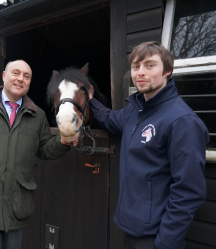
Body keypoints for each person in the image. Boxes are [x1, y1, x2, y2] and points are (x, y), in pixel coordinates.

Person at [89, 41, 209, 249]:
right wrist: (90, 99)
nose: (140, 73)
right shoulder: (134, 111)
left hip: (154, 237)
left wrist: (165, 243)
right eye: (136, 67)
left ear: (167, 71)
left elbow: (189, 191)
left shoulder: (182, 121)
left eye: (150, 65)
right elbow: (109, 119)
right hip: (130, 226)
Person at [0, 60, 76, 249]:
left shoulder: (37, 114)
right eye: (15, 73)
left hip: (17, 205)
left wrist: (63, 142)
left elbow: (44, 149)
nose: (20, 79)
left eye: (26, 76)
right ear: (3, 76)